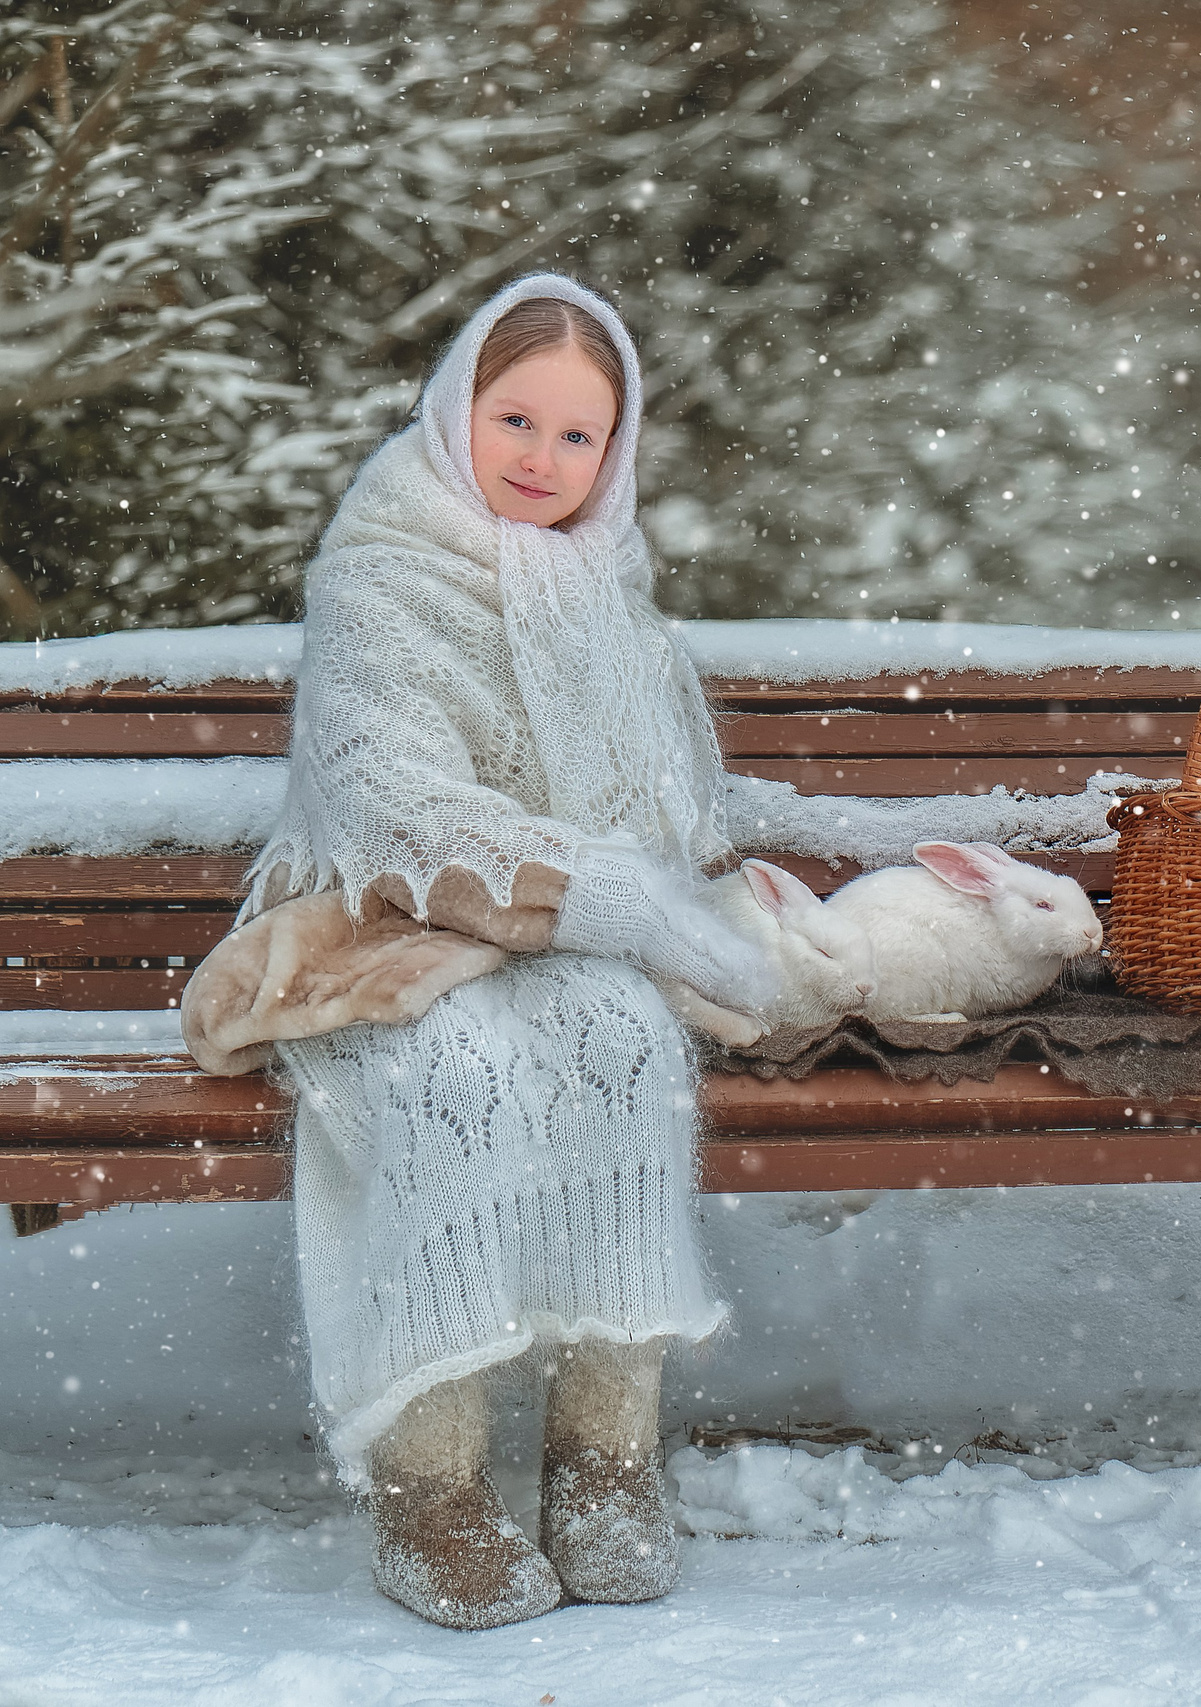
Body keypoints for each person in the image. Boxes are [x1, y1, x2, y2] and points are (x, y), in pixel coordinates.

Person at [234, 274, 776, 1629]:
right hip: (381, 942)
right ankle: (434, 1487)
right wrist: (608, 892)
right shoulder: (382, 572)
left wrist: (654, 890)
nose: (542, 458)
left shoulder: (610, 586)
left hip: (562, 941)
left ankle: (604, 1460)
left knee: (622, 1037)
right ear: (455, 411)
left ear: (616, 450)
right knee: (455, 1068)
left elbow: (669, 808)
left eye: (578, 436)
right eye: (515, 419)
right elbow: (399, 809)